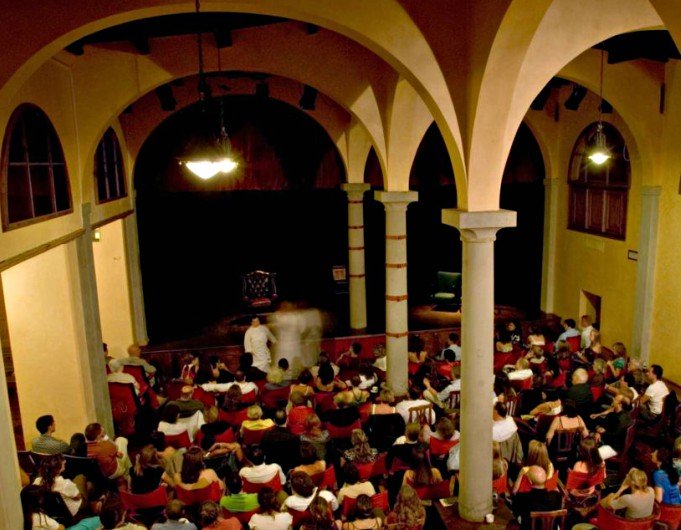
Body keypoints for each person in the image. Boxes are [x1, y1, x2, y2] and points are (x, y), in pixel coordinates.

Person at [261, 409, 300, 473]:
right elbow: (296, 456)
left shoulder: (266, 435)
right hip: (288, 466)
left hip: (272, 466)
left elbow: (264, 450)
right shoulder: (294, 437)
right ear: (287, 420)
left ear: (274, 420)